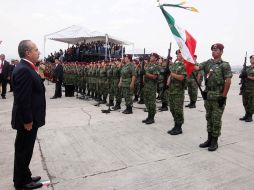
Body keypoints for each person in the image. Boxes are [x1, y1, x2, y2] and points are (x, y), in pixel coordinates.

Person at [12, 40, 45, 189]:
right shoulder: (24, 69)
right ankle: (22, 182)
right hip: (27, 120)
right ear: (28, 52)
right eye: (36, 50)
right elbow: (23, 98)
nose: (38, 52)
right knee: (23, 150)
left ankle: (24, 175)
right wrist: (27, 120)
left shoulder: (27, 67)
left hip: (29, 118)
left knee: (25, 149)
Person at [195, 43, 232, 151]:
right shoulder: (208, 63)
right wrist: (187, 60)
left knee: (216, 119)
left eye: (216, 50)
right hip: (208, 95)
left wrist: (223, 97)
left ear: (221, 52)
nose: (214, 51)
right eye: (213, 50)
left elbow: (228, 81)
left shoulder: (224, 65)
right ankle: (209, 139)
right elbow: (196, 67)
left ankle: (214, 141)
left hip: (218, 96)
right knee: (209, 118)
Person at [167, 50, 187, 135]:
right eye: (177, 53)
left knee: (178, 110)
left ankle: (179, 127)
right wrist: (168, 81)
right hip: (171, 90)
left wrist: (171, 74)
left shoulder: (185, 65)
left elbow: (182, 77)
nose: (178, 55)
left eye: (180, 53)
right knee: (172, 109)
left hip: (178, 91)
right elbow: (170, 75)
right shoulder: (176, 65)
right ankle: (175, 125)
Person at [142, 53, 160, 124]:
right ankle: (149, 116)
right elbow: (144, 74)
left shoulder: (156, 66)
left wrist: (145, 73)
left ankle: (152, 118)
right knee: (146, 101)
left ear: (156, 58)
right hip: (146, 86)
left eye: (152, 56)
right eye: (151, 56)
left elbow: (154, 77)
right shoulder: (148, 65)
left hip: (151, 86)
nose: (151, 57)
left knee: (151, 102)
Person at [239, 55, 254, 122]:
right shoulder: (247, 68)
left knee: (251, 103)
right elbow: (242, 75)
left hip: (251, 88)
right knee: (245, 102)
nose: (252, 60)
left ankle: (250, 116)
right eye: (251, 58)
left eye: (253, 59)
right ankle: (246, 114)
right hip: (244, 87)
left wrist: (247, 76)